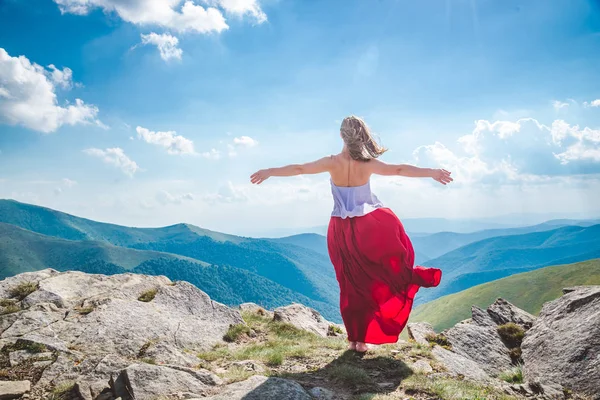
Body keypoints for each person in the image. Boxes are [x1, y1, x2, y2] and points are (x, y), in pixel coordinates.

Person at [250, 115, 452, 353]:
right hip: (368, 226)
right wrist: (432, 172)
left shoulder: (331, 162)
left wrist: (269, 171)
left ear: (340, 135)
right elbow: (398, 169)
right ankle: (369, 329)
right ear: (363, 135)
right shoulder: (367, 164)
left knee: (349, 284)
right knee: (372, 279)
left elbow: (299, 168)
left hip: (340, 230)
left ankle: (355, 339)